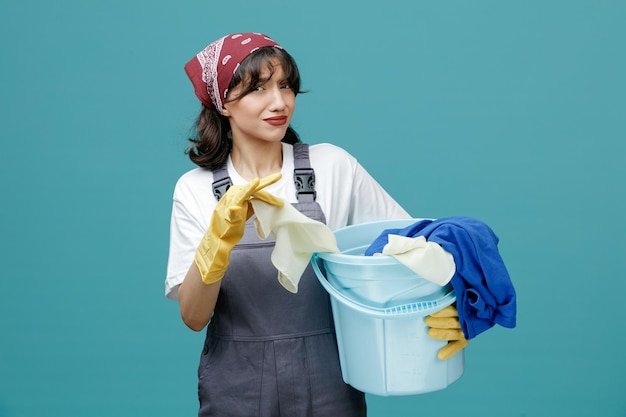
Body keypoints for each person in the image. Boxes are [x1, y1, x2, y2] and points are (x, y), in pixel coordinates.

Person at [165, 32, 464, 417]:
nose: (280, 102)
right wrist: (217, 244)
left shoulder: (331, 166)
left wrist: (448, 306)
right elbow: (193, 317)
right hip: (236, 390)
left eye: (286, 85)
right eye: (258, 88)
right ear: (224, 103)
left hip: (330, 386)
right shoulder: (196, 190)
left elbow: (411, 248)